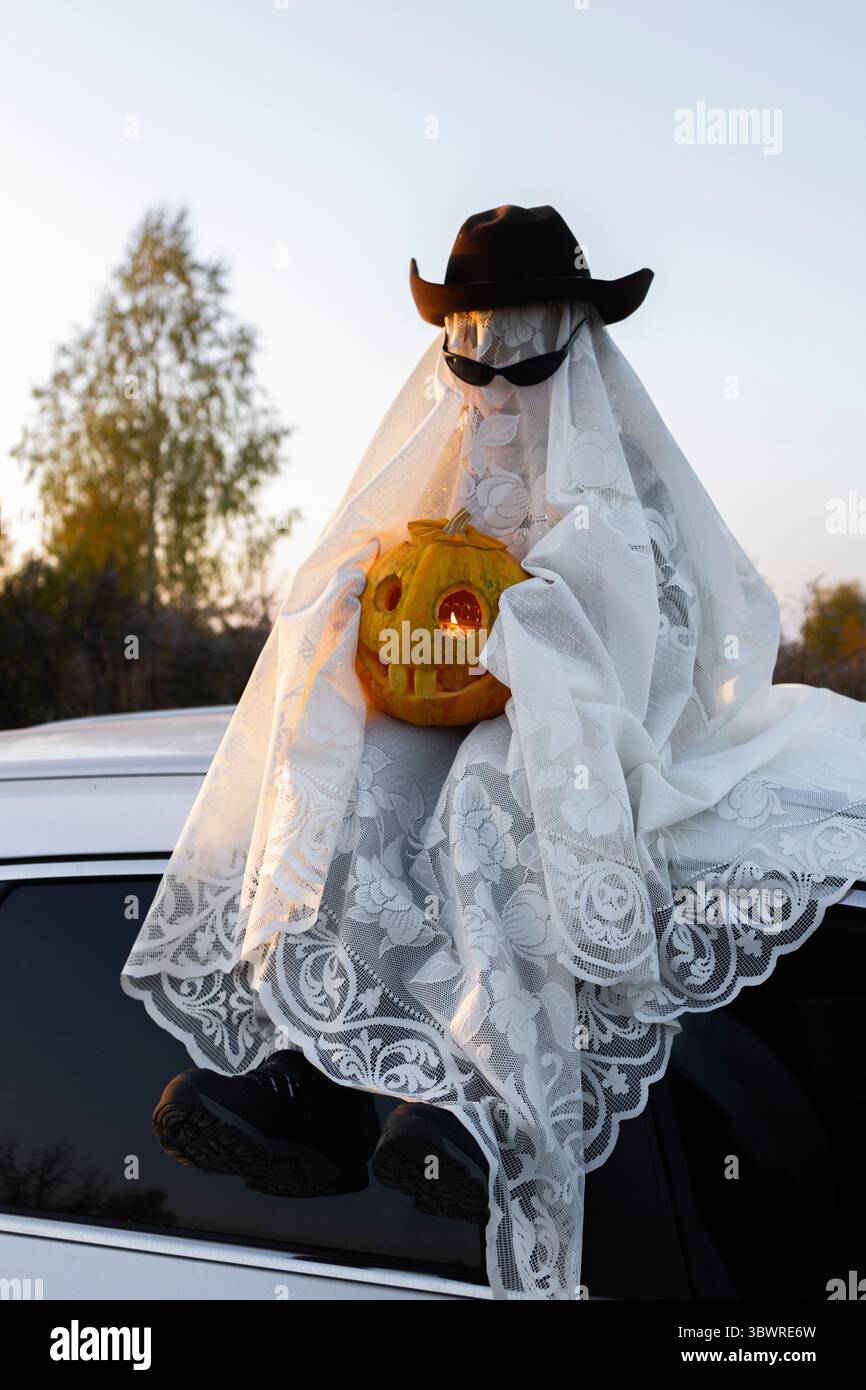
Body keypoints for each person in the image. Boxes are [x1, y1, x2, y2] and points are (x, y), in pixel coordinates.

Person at [122, 206, 866, 1300]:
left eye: (524, 360)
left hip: (592, 727)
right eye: (471, 358)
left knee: (488, 794)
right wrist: (356, 602)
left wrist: (522, 627)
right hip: (444, 703)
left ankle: (479, 1089)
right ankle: (302, 1072)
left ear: (573, 348)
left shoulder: (619, 491)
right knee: (354, 776)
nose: (496, 388)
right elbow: (380, 571)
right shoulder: (444, 458)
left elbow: (644, 641)